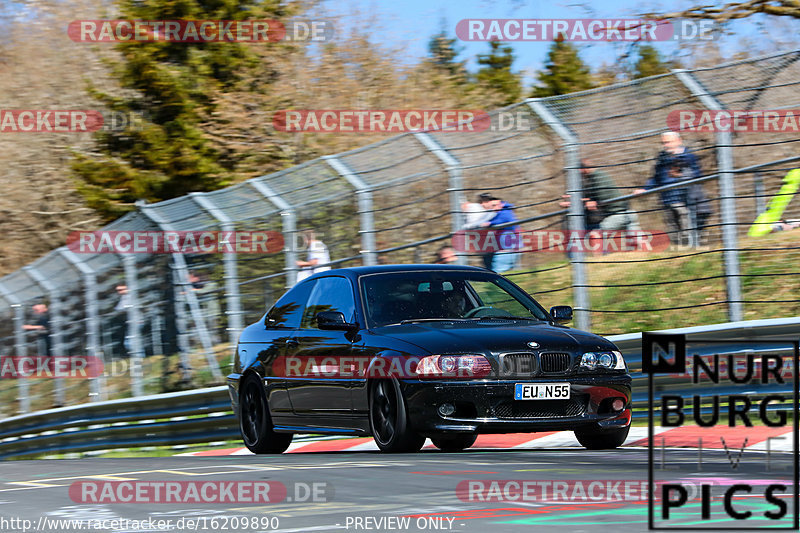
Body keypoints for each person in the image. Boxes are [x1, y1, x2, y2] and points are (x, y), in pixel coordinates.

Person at [635, 132, 711, 246]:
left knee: (688, 230)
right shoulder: (662, 158)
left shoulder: (689, 156)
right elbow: (656, 177)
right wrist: (645, 189)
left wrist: (681, 175)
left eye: (668, 142)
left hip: (685, 199)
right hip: (667, 200)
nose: (665, 145)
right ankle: (683, 254)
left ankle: (693, 251)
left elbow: (697, 175)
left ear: (679, 141)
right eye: (663, 143)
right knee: (675, 232)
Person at [576, 159, 640, 231]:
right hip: (628, 213)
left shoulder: (597, 176)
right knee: (637, 240)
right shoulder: (597, 176)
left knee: (595, 233)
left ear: (584, 169)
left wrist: (591, 202)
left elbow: (602, 197)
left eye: (579, 170)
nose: (579, 173)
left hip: (618, 215)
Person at [480, 195, 520, 273]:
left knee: (499, 271)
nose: (494, 208)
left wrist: (490, 223)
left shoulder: (506, 212)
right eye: (492, 206)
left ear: (501, 204)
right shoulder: (501, 212)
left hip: (507, 248)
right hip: (506, 247)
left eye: (495, 205)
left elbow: (503, 219)